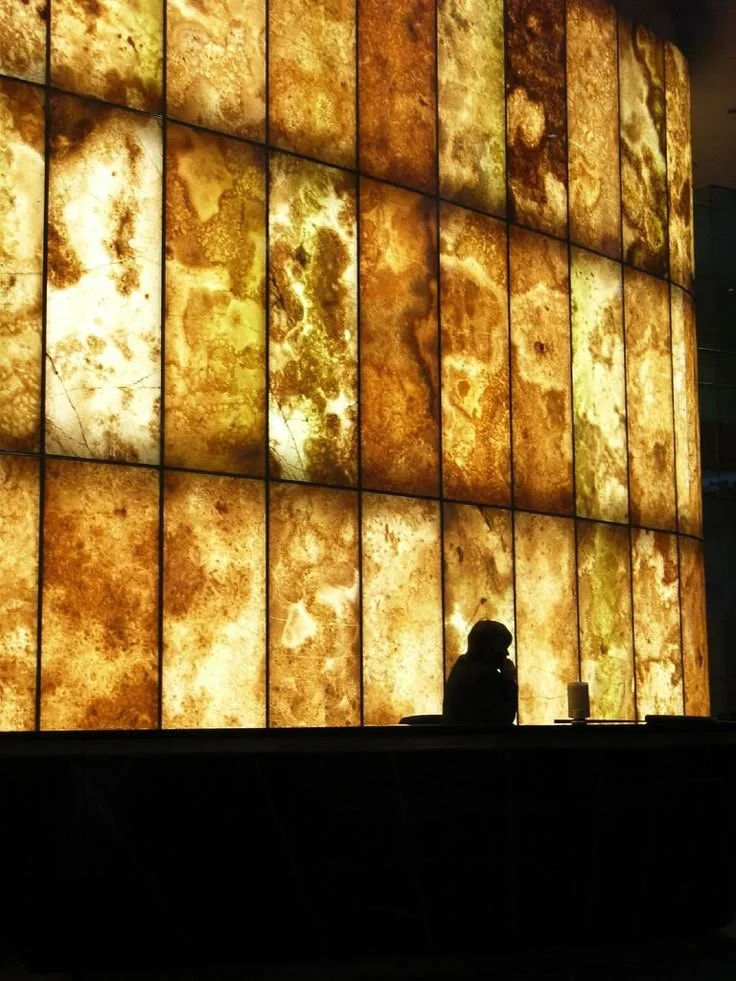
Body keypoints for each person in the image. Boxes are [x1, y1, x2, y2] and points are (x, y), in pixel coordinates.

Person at [443, 619, 518, 726]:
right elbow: (504, 719)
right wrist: (509, 681)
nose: (507, 653)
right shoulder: (486, 676)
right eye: (504, 647)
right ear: (492, 648)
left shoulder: (462, 665)